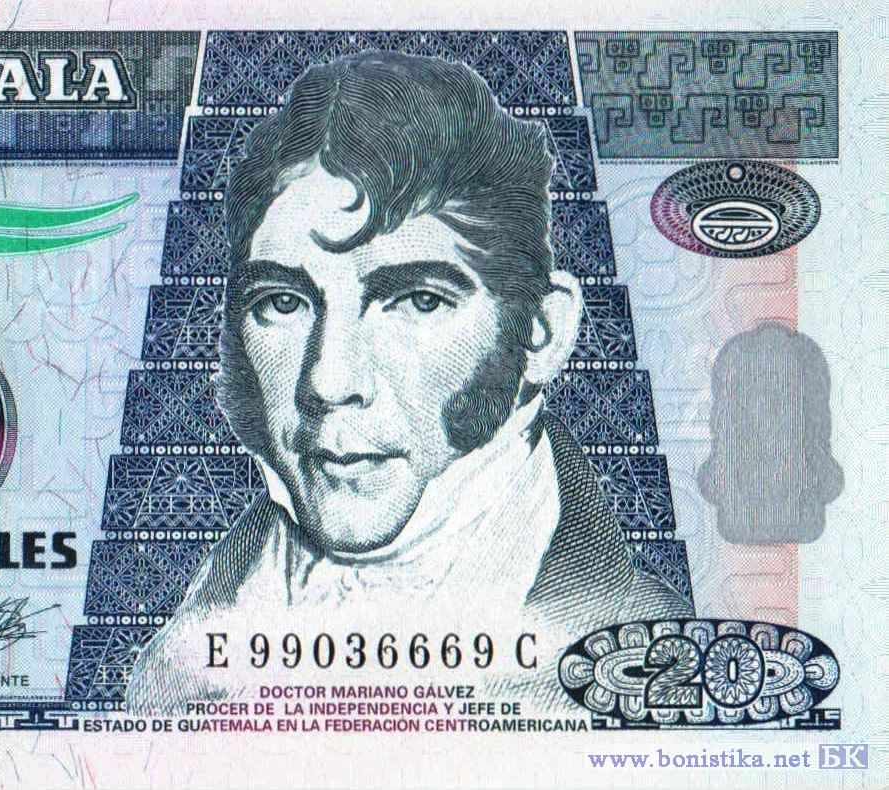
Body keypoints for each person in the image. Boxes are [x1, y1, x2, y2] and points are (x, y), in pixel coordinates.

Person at [126, 50, 691, 712]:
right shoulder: (175, 656)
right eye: (281, 302)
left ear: (540, 333)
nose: (329, 380)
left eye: (418, 302)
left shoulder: (660, 659)